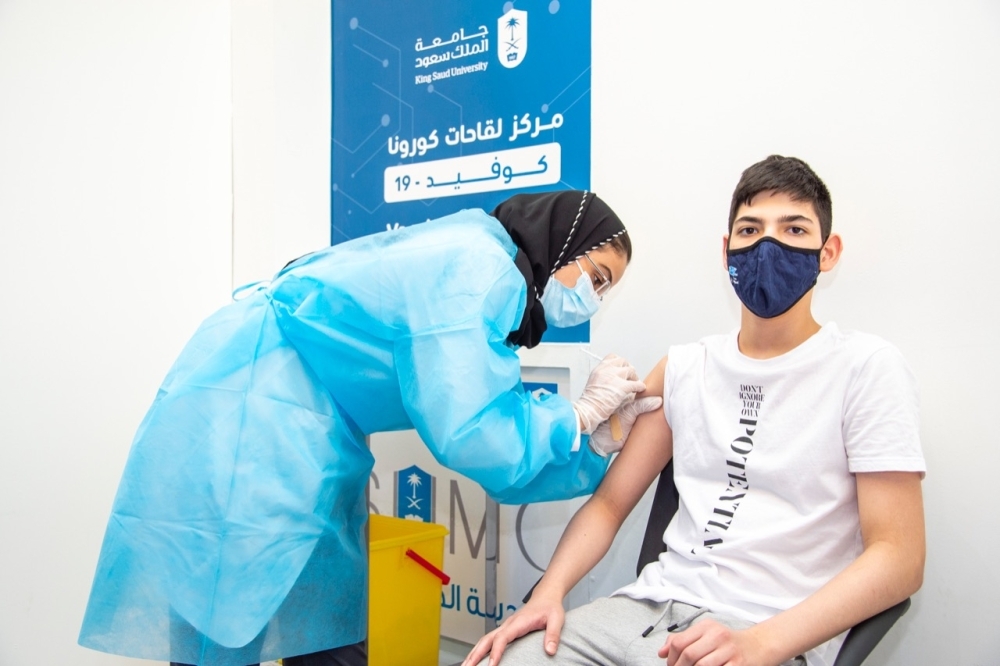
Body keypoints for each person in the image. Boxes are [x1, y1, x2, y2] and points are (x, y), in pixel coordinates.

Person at [78, 190, 662, 666]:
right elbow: (471, 430)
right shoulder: (480, 268)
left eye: (605, 290)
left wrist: (596, 444)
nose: (593, 299)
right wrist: (577, 415)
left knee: (324, 612)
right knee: (226, 607)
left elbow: (494, 427)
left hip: (306, 422)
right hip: (251, 412)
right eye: (597, 277)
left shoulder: (486, 261)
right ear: (564, 241)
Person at [464, 156, 927, 666]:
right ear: (727, 251)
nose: (768, 245)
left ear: (828, 251)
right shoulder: (685, 368)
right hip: (643, 610)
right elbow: (609, 505)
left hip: (767, 629)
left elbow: (899, 558)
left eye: (794, 229)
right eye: (750, 229)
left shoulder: (866, 368)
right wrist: (548, 593)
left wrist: (762, 643)